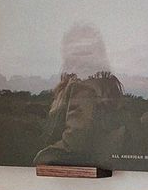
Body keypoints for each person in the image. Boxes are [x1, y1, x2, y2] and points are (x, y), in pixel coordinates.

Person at [33, 22, 127, 166]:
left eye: (85, 50)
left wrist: (40, 158)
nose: (80, 55)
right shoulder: (104, 84)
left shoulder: (82, 87)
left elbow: (74, 143)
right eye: (76, 49)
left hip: (80, 170)